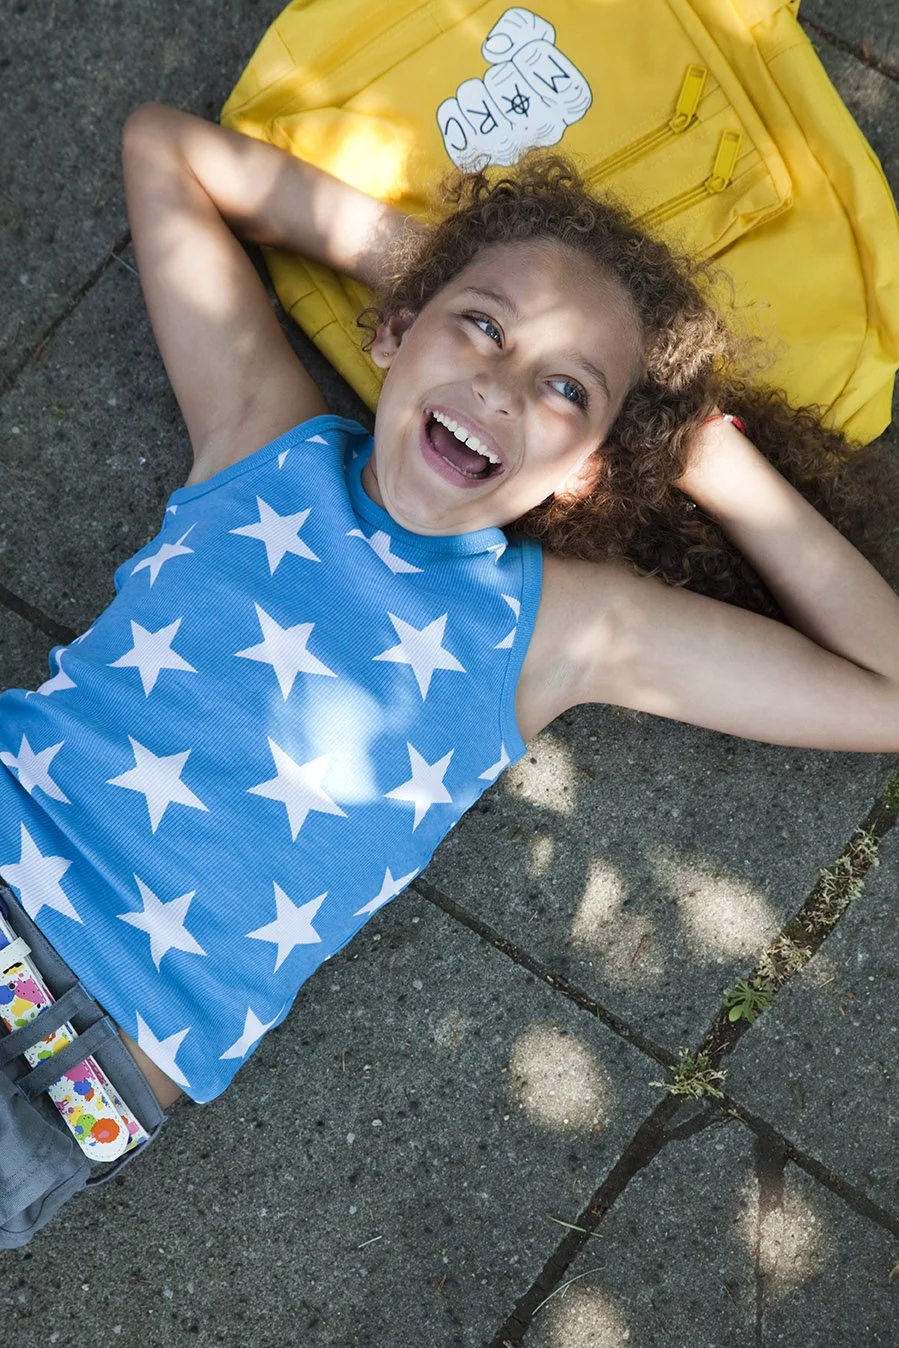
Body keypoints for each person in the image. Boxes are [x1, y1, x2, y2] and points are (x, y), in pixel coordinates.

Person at [2, 103, 898, 1247]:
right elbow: (163, 151)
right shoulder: (264, 432)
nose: (501, 383)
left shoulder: (565, 627)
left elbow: (883, 691)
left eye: (567, 389)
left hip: (83, 1071)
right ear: (392, 328)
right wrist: (426, 276)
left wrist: (713, 463)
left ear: (586, 475)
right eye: (482, 326)